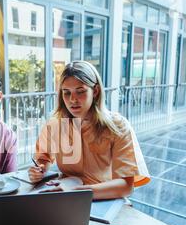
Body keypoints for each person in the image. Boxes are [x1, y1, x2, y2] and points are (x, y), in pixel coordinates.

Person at [28, 61, 150, 199]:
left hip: (105, 198)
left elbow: (126, 186)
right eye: (66, 93)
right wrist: (39, 169)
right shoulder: (55, 125)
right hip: (66, 195)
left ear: (96, 91)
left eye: (80, 91)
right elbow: (43, 157)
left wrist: (77, 192)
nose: (73, 100)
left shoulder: (118, 126)